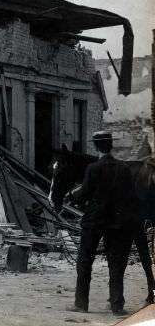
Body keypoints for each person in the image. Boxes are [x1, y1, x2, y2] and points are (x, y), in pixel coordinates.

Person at [69, 130, 138, 316]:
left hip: (94, 220)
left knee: (85, 261)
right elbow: (131, 196)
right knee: (116, 263)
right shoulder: (124, 169)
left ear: (95, 146)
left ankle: (81, 304)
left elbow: (84, 194)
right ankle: (117, 305)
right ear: (111, 146)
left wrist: (73, 197)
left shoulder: (93, 168)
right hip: (118, 222)